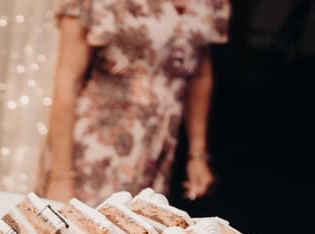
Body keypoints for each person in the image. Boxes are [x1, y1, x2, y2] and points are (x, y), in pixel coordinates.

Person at [35, 0, 231, 205]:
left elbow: (199, 74)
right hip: (94, 149)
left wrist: (197, 154)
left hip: (158, 150)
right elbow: (67, 79)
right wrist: (61, 177)